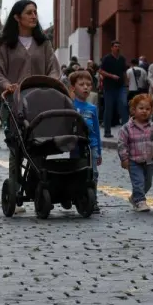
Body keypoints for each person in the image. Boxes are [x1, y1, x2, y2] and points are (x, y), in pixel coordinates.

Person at [0, 0, 60, 189]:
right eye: (29, 12)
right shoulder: (6, 45)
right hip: (15, 103)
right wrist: (7, 85)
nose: (34, 16)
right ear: (17, 17)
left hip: (40, 101)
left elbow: (54, 69)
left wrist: (51, 83)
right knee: (17, 147)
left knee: (39, 143)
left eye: (35, 12)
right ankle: (15, 185)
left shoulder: (43, 43)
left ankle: (38, 183)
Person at [117, 92, 153, 212]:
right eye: (141, 108)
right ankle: (140, 201)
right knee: (138, 182)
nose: (144, 111)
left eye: (148, 108)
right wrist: (124, 159)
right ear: (133, 109)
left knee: (148, 183)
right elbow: (121, 144)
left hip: (149, 160)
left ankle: (135, 196)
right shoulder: (127, 128)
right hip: (134, 161)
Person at [67, 68, 102, 212]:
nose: (86, 87)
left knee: (93, 173)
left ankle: (92, 199)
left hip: (91, 146)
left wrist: (99, 151)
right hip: (75, 145)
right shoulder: (70, 106)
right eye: (81, 84)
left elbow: (97, 131)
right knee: (76, 171)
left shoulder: (92, 108)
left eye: (88, 84)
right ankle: (73, 195)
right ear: (73, 88)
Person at [98, 40, 128, 136]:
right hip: (109, 87)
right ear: (111, 48)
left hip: (121, 87)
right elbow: (101, 71)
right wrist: (111, 76)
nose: (117, 48)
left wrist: (126, 84)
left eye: (118, 46)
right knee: (109, 109)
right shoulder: (107, 58)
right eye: (115, 46)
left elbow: (124, 72)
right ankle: (107, 132)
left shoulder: (122, 59)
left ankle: (125, 132)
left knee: (123, 106)